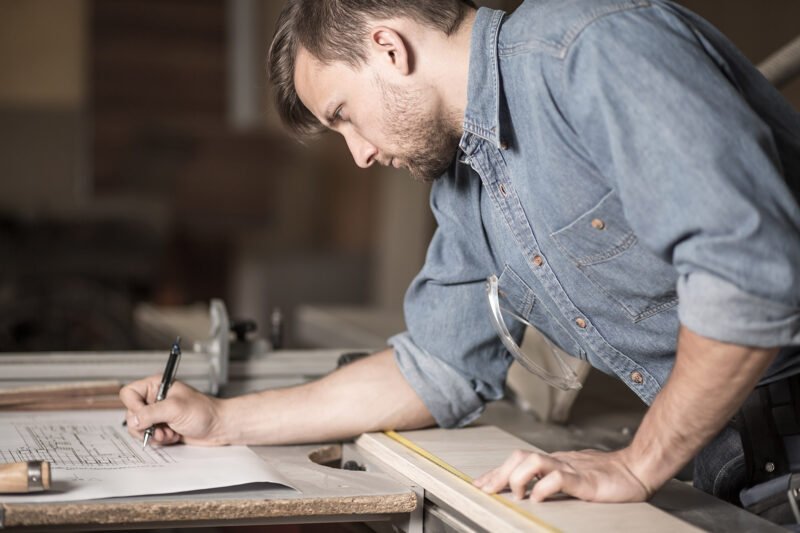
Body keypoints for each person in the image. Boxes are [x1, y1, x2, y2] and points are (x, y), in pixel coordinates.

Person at [121, 0, 800, 512]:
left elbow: (749, 276)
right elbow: (437, 366)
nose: (358, 154)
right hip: (736, 458)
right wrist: (222, 420)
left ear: (389, 48)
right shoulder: (465, 179)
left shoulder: (590, 50)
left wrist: (638, 462)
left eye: (344, 114)